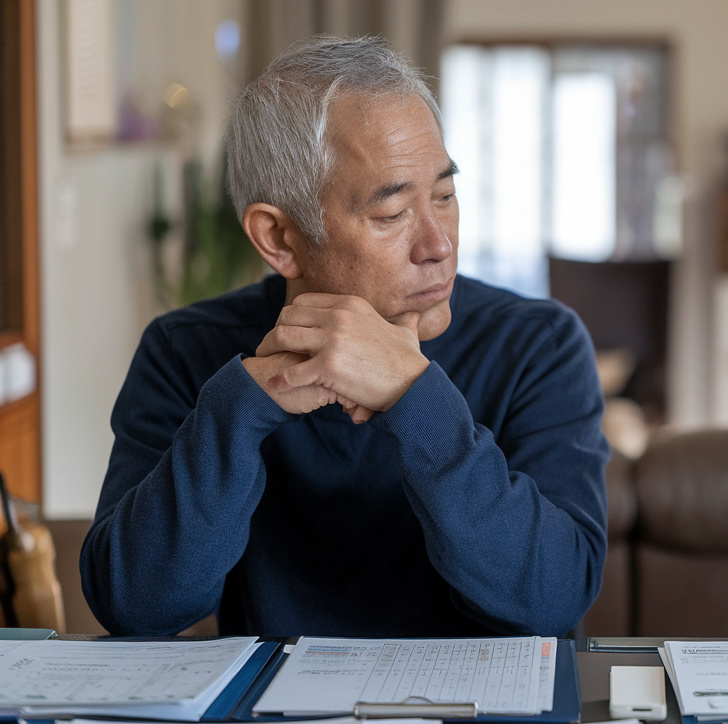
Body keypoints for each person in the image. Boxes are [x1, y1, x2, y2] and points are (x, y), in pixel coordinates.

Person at [80, 36, 610, 638]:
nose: (439, 246)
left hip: (479, 723)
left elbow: (554, 599)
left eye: (445, 196)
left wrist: (418, 399)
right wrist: (239, 410)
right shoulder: (185, 351)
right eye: (392, 215)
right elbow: (135, 607)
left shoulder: (538, 345)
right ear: (279, 239)